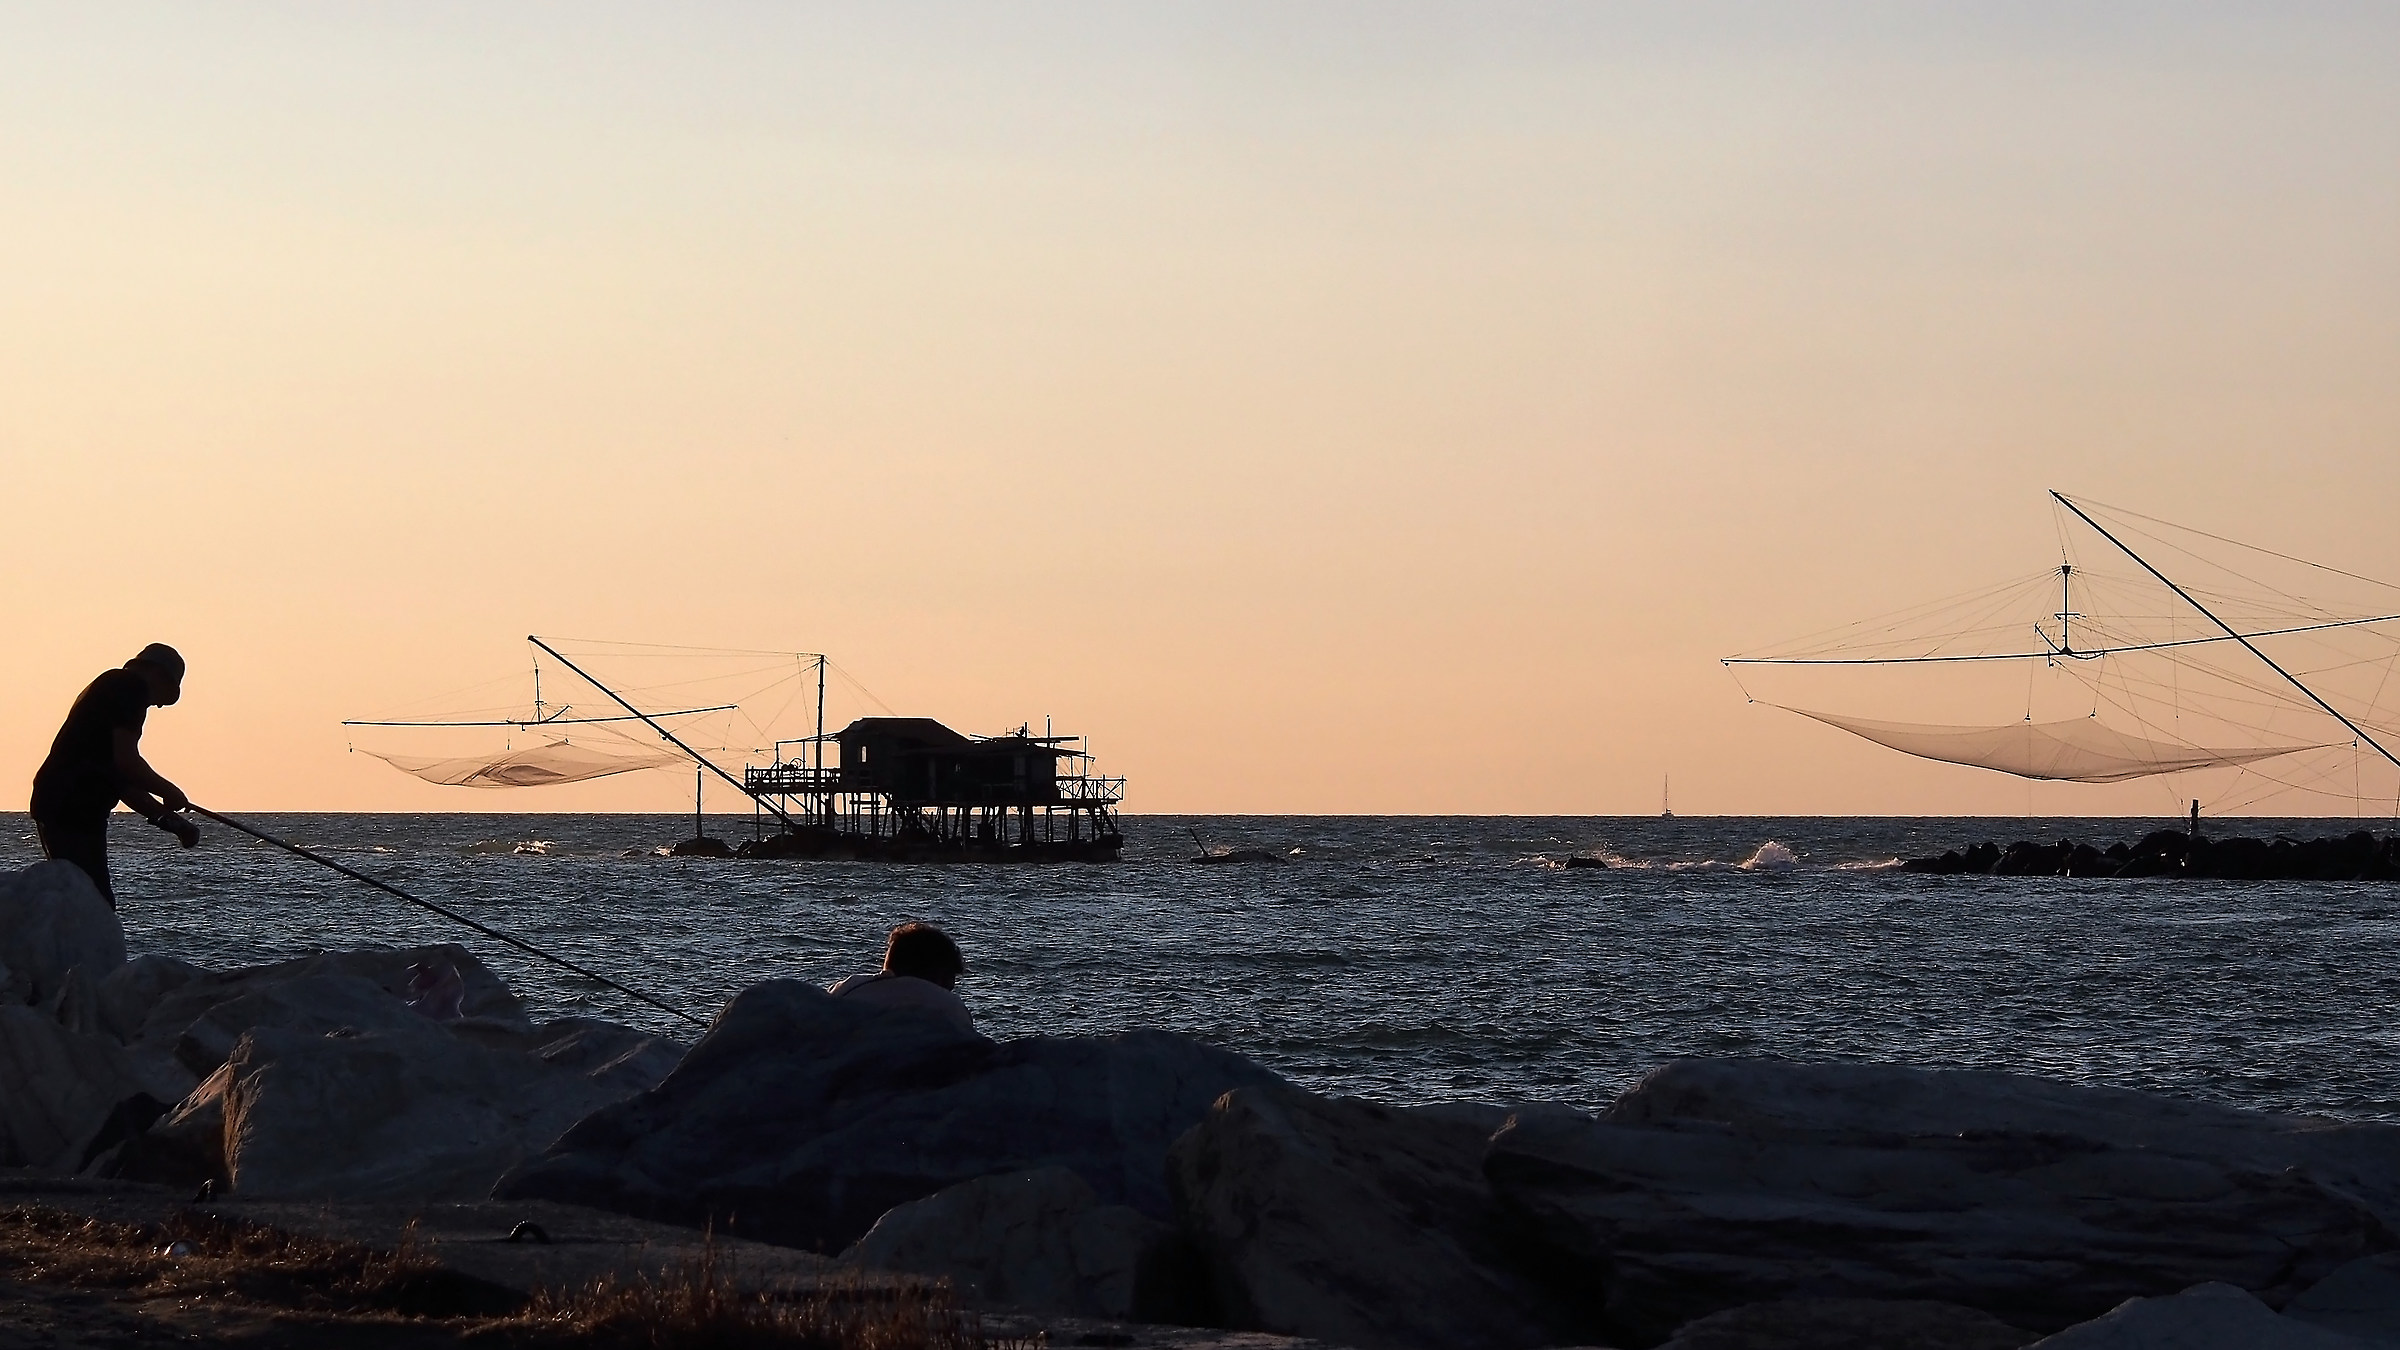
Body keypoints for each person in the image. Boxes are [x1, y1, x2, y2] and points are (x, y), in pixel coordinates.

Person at [30, 644, 200, 907]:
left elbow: (122, 783)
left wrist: (173, 822)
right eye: (161, 696)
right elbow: (127, 762)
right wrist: (169, 790)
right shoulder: (129, 687)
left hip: (59, 803)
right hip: (72, 807)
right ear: (157, 674)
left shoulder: (111, 689)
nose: (155, 704)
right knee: (94, 905)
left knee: (82, 898)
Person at [827, 922, 974, 1034]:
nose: (950, 986)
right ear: (941, 974)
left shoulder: (846, 989)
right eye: (949, 977)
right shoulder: (948, 1007)